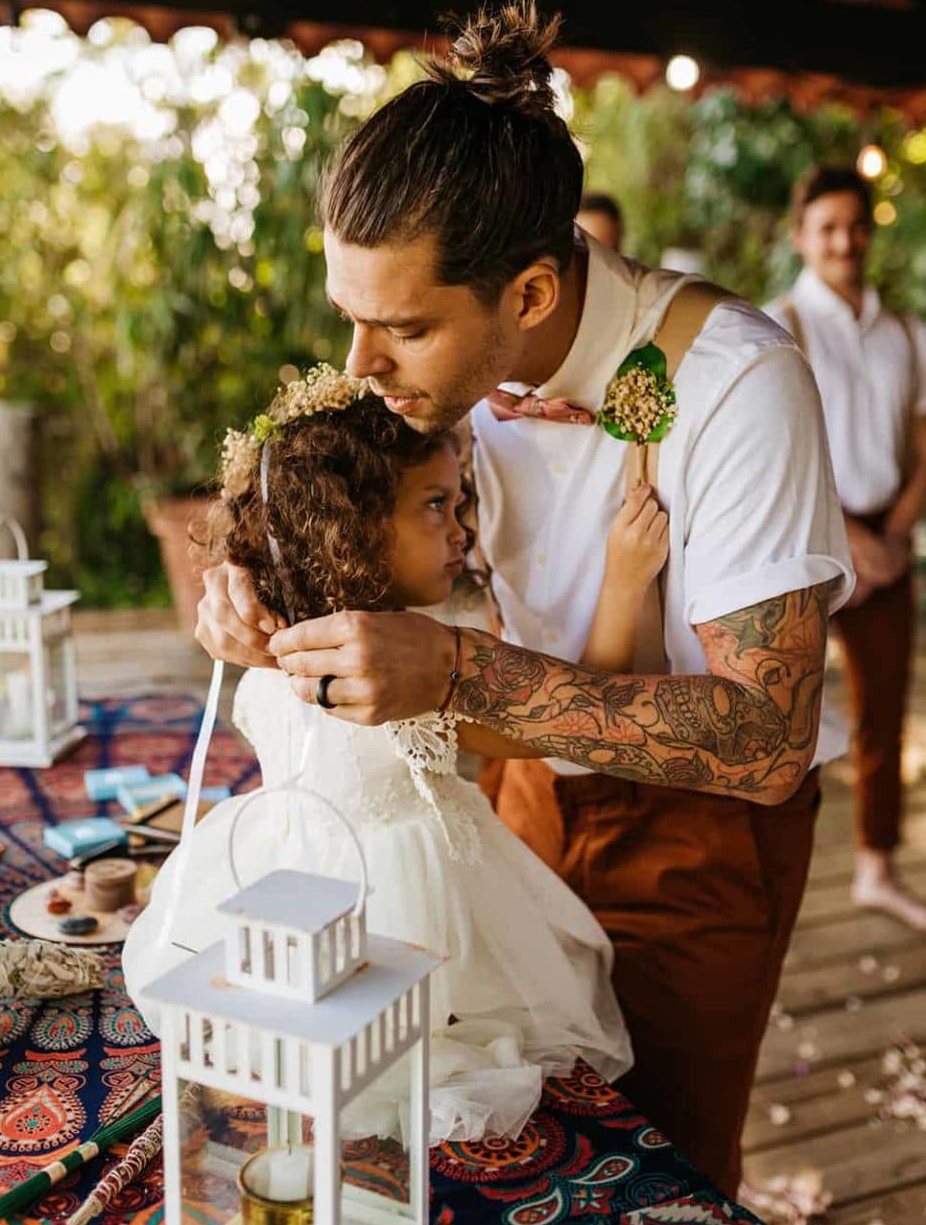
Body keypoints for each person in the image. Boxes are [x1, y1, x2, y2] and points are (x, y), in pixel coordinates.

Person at [195, 0, 854, 1197]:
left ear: (533, 297)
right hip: (506, 801)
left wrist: (455, 672)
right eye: (351, 320)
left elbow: (767, 738)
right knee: (489, 1155)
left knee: (660, 1179)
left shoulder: (741, 386)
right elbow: (322, 492)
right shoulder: (419, 375)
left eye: (401, 329)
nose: (360, 365)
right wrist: (247, 577)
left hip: (693, 845)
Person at [124, 367, 636, 1144]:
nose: (461, 530)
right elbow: (562, 730)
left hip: (285, 885)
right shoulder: (400, 677)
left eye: (459, 503)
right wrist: (625, 580)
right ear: (354, 525)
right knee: (415, 1052)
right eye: (435, 505)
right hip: (395, 924)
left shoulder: (278, 643)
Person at [767, 166, 926, 936]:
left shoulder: (909, 332)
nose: (845, 241)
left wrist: (894, 537)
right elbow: (772, 449)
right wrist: (848, 538)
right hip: (805, 538)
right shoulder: (775, 327)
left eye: (856, 226)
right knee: (779, 713)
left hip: (889, 539)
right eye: (829, 228)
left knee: (884, 713)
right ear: (801, 236)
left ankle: (878, 868)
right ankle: (769, 874)